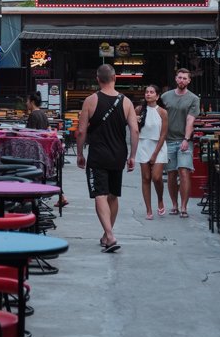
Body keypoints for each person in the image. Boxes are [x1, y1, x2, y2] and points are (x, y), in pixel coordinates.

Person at [76, 63, 139, 253]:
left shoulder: (90, 100)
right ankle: (107, 234)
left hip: (98, 154)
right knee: (113, 194)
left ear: (97, 79)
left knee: (100, 194)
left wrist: (79, 154)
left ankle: (110, 235)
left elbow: (81, 131)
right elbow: (135, 130)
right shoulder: (126, 102)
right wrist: (133, 156)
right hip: (118, 154)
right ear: (115, 78)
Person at [161, 68, 200, 218]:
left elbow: (190, 120)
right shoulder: (165, 97)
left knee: (184, 171)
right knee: (171, 173)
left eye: (185, 78)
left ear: (189, 81)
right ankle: (174, 205)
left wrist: (186, 138)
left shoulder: (193, 99)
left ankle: (184, 206)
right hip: (168, 140)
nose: (182, 80)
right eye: (180, 78)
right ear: (176, 79)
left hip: (184, 140)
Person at [134, 84, 168, 219]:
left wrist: (154, 154)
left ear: (157, 96)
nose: (148, 94)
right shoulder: (139, 109)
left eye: (151, 92)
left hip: (158, 146)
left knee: (157, 177)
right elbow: (133, 129)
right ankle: (148, 209)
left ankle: (160, 199)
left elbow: (164, 134)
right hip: (143, 145)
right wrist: (135, 120)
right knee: (146, 178)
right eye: (146, 92)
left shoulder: (162, 112)